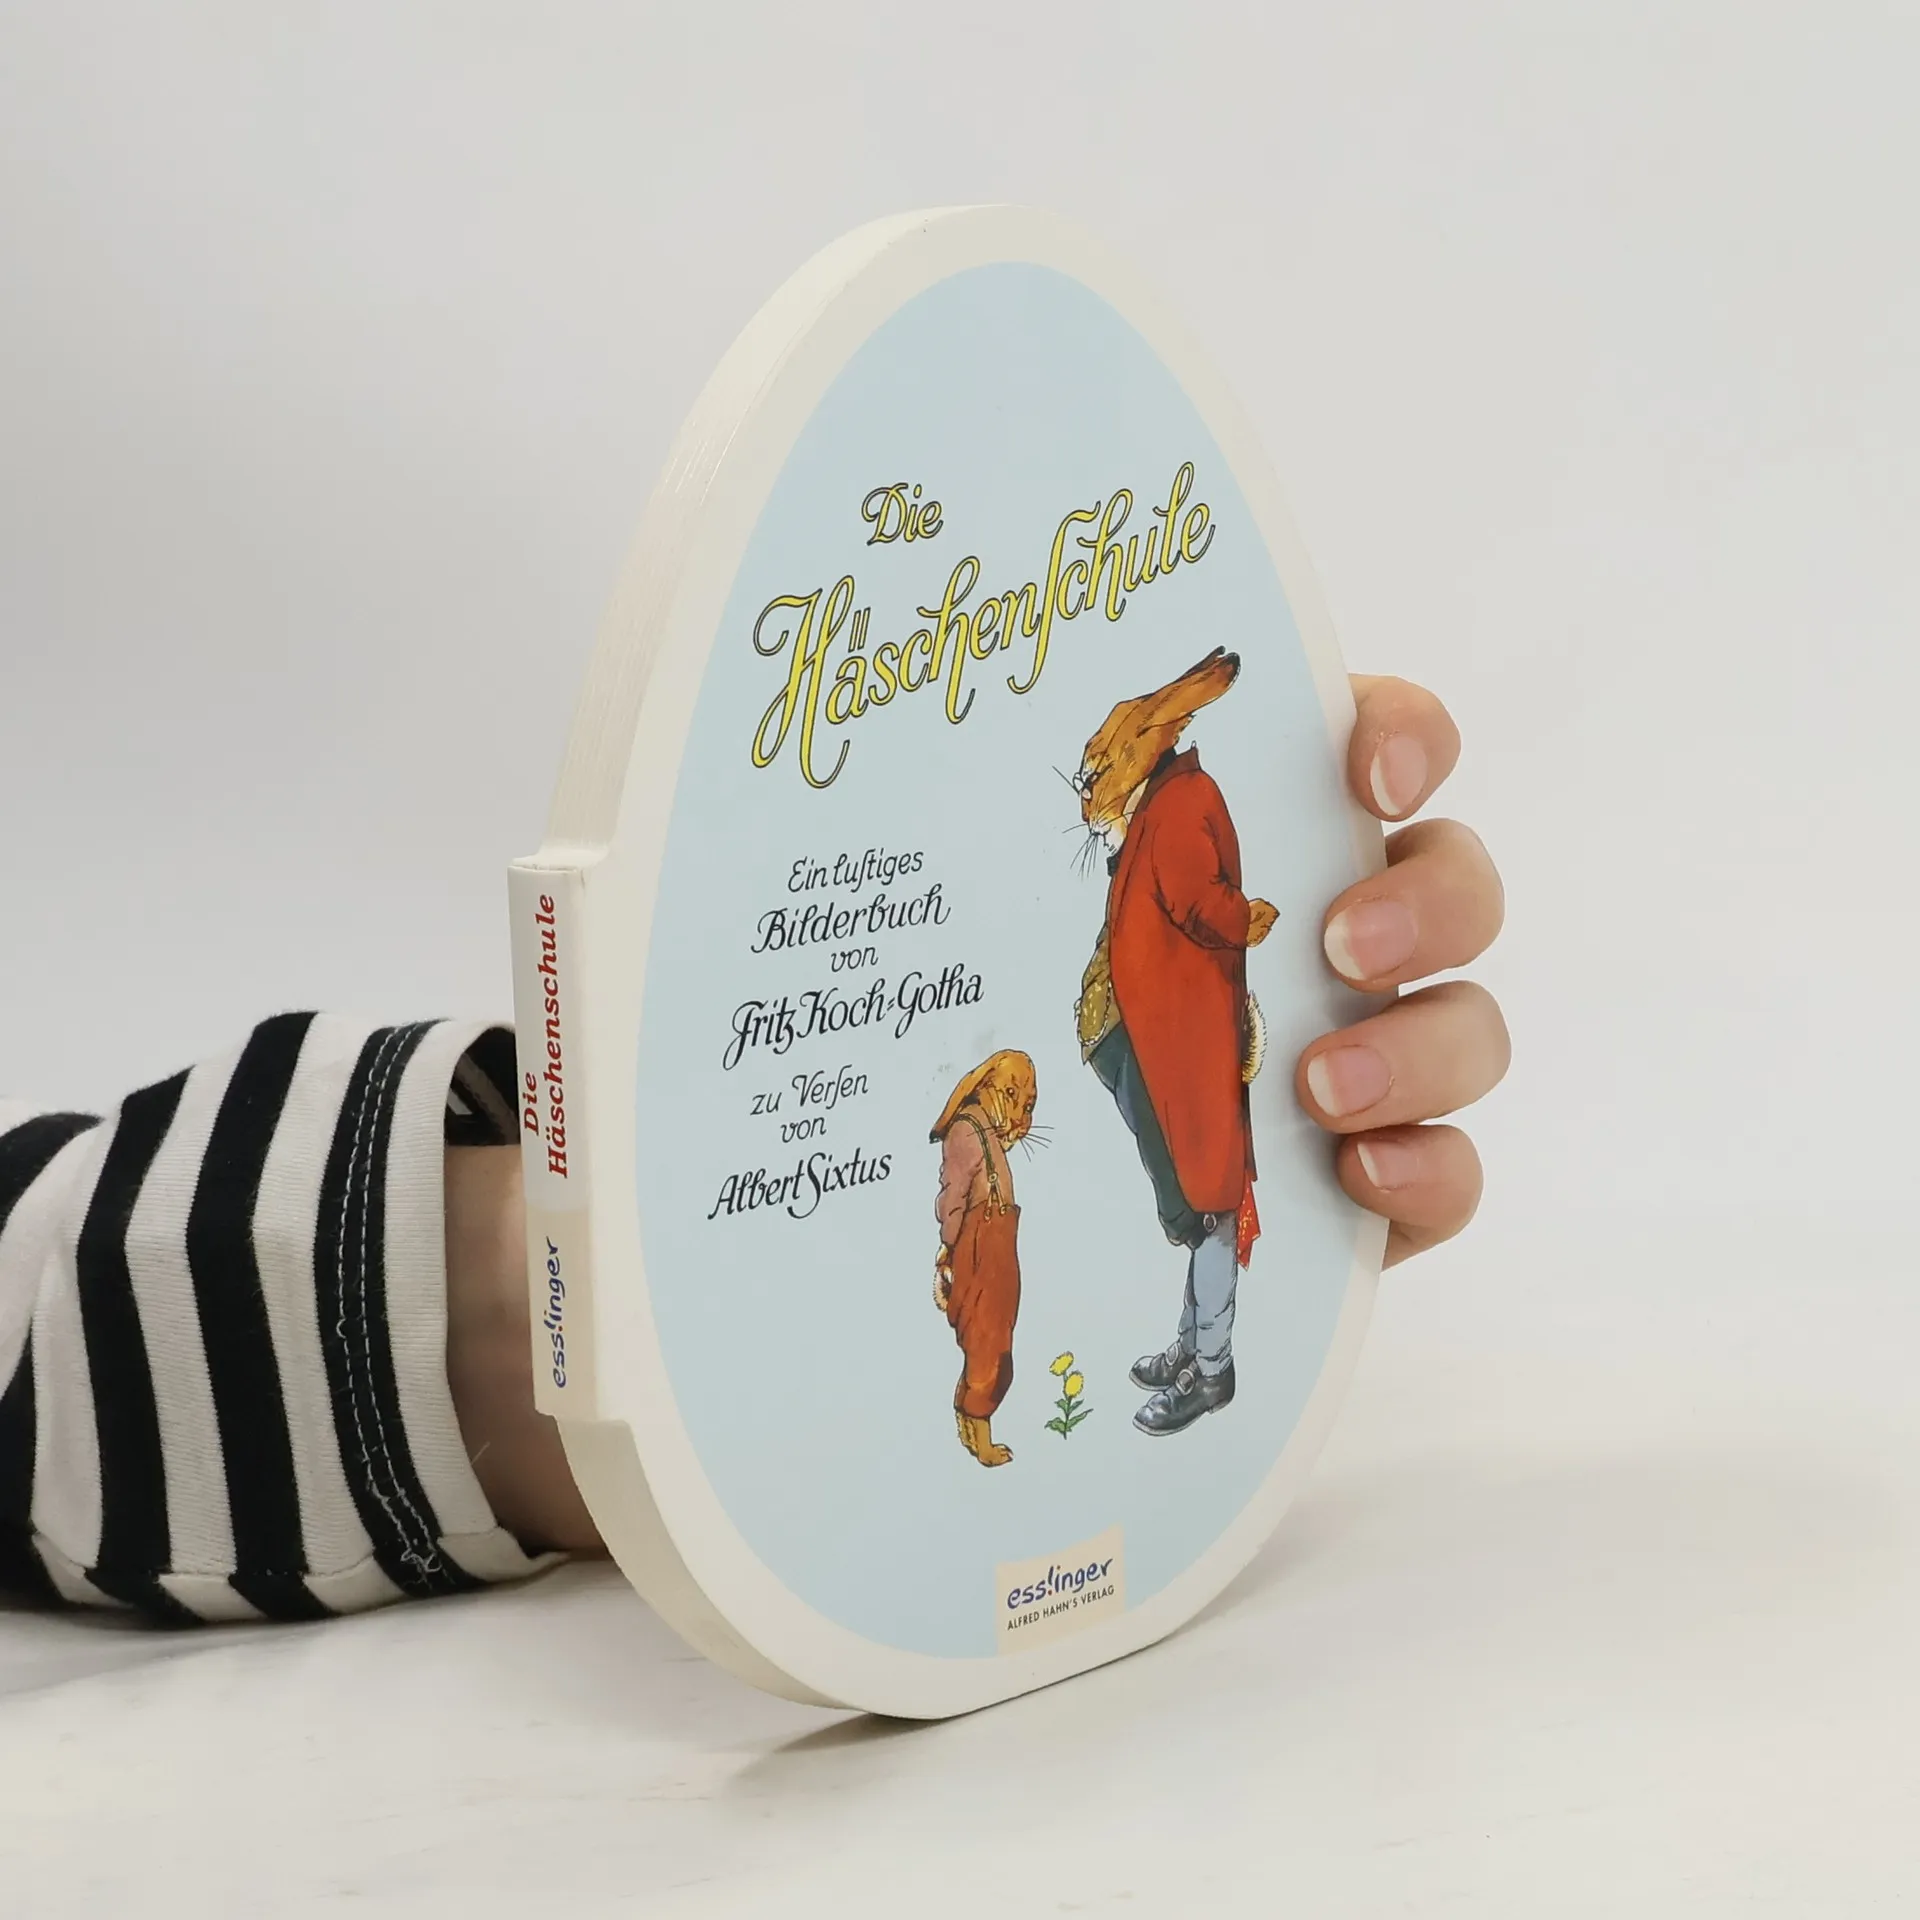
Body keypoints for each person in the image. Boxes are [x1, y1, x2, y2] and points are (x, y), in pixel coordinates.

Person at [0, 675, 1505, 1623]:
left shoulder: (1182, 811)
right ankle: (1197, 1344)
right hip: (1156, 1060)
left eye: (1103, 776)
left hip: (1178, 1063)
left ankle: (1202, 1344)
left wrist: (538, 1299)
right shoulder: (1154, 828)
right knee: (1196, 1196)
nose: (1094, 800)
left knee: (1208, 1194)